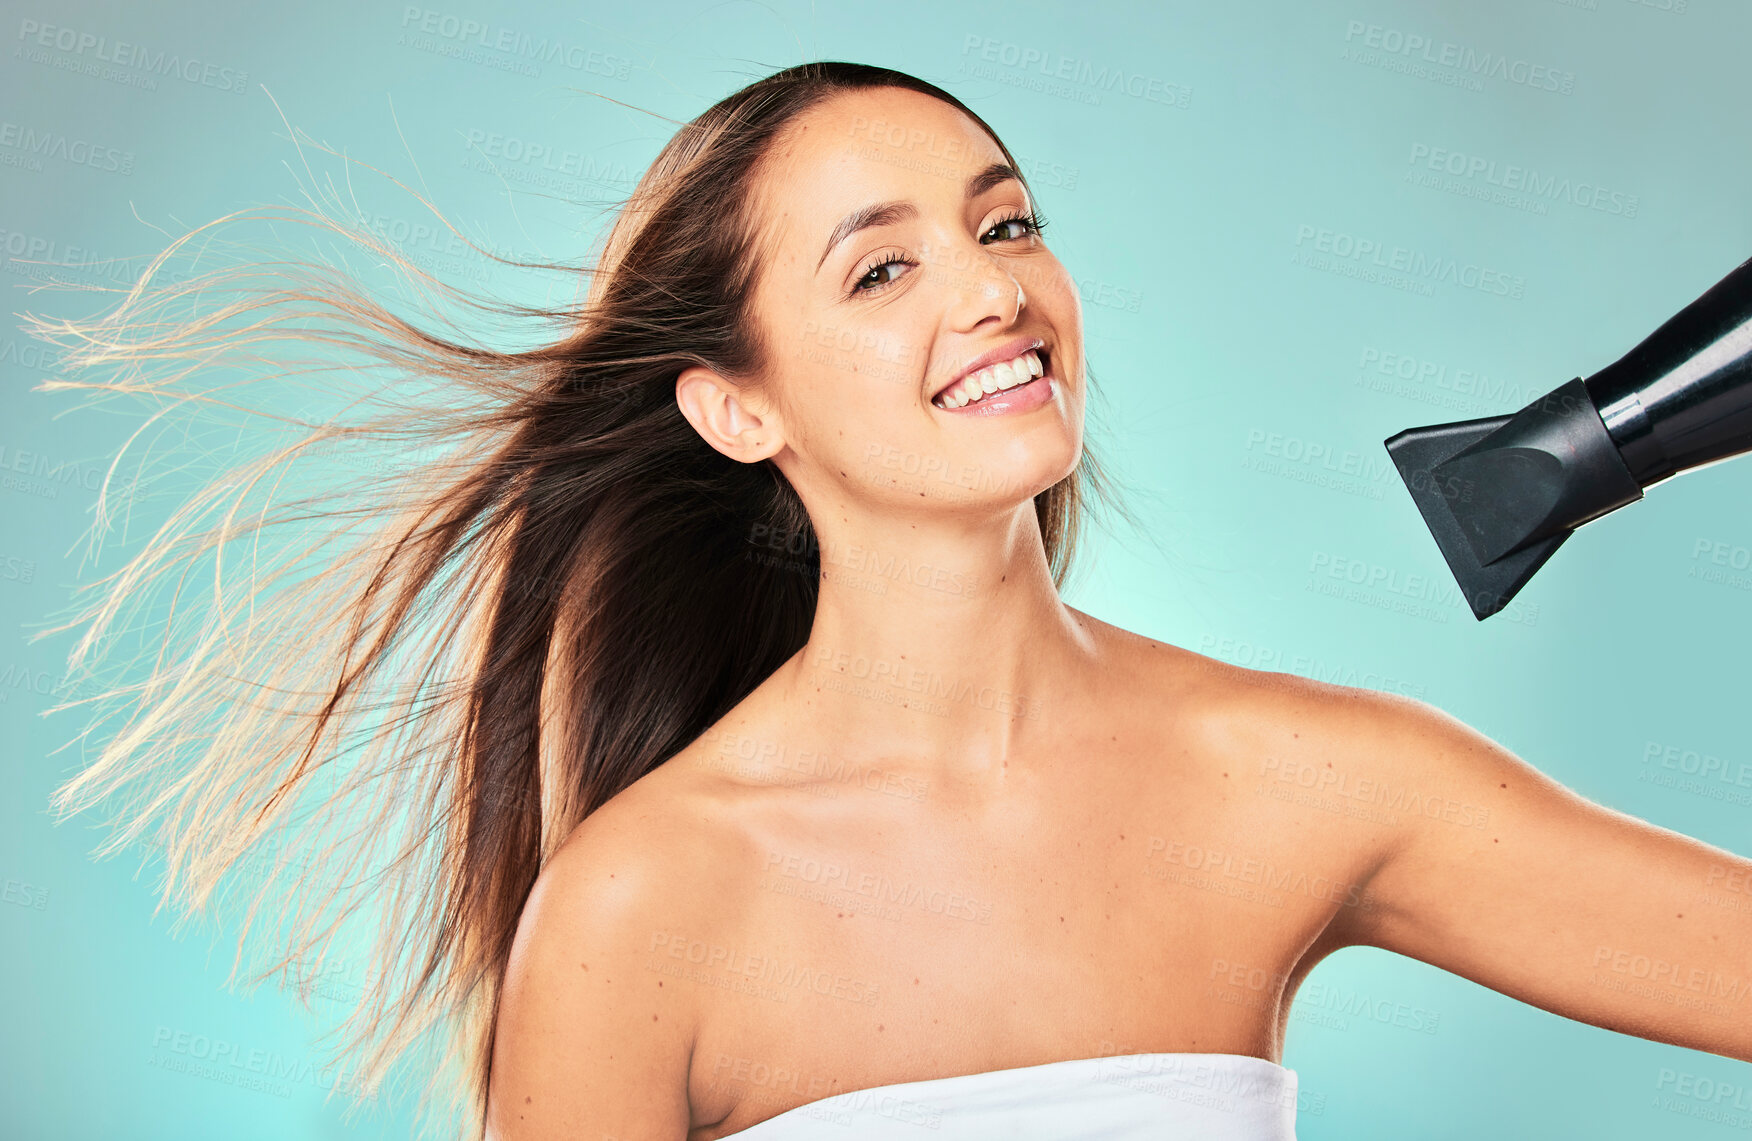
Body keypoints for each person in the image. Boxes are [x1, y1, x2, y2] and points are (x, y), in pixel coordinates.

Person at [31, 61, 1750, 1141]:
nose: (995, 291)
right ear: (737, 404)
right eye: (883, 266)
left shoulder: (1302, 781)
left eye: (1005, 224)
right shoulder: (649, 905)